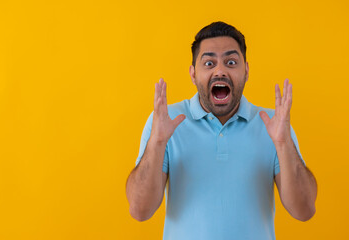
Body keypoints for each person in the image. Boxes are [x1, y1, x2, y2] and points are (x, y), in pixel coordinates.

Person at [126, 21, 317, 240]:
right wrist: (157, 143)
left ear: (246, 70)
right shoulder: (165, 121)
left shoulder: (274, 124)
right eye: (209, 63)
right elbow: (140, 210)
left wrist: (283, 145)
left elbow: (304, 210)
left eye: (231, 62)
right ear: (193, 73)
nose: (220, 71)